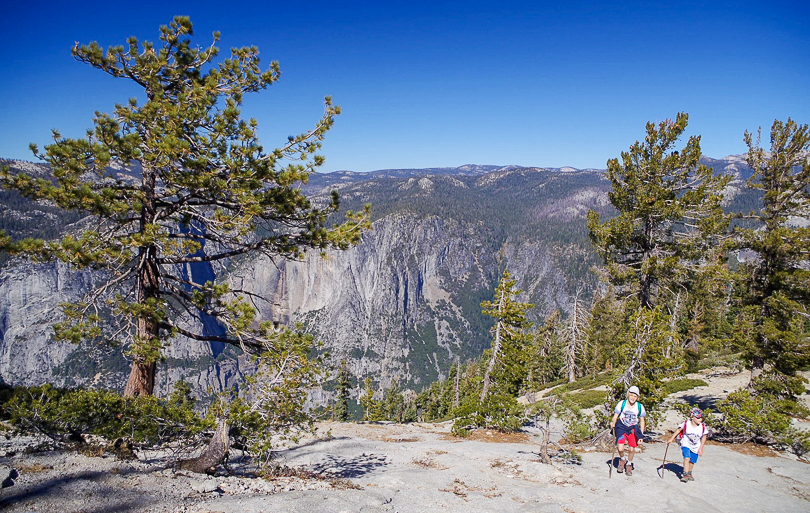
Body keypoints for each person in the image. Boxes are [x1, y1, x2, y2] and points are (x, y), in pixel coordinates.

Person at [610, 385, 646, 476]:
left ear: (637, 397)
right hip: (621, 427)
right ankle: (622, 459)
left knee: (631, 449)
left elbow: (642, 421)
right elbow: (615, 416)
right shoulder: (622, 403)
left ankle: (629, 464)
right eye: (631, 395)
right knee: (620, 448)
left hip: (632, 428)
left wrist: (641, 435)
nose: (633, 398)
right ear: (628, 395)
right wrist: (613, 422)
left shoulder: (640, 407)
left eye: (635, 396)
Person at [668, 407, 708, 482]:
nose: (700, 419)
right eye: (698, 418)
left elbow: (704, 437)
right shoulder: (686, 424)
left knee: (692, 461)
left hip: (696, 446)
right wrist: (671, 438)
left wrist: (701, 448)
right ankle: (685, 474)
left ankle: (689, 473)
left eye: (701, 418)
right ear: (692, 417)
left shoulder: (702, 427)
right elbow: (679, 429)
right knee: (687, 458)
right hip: (685, 443)